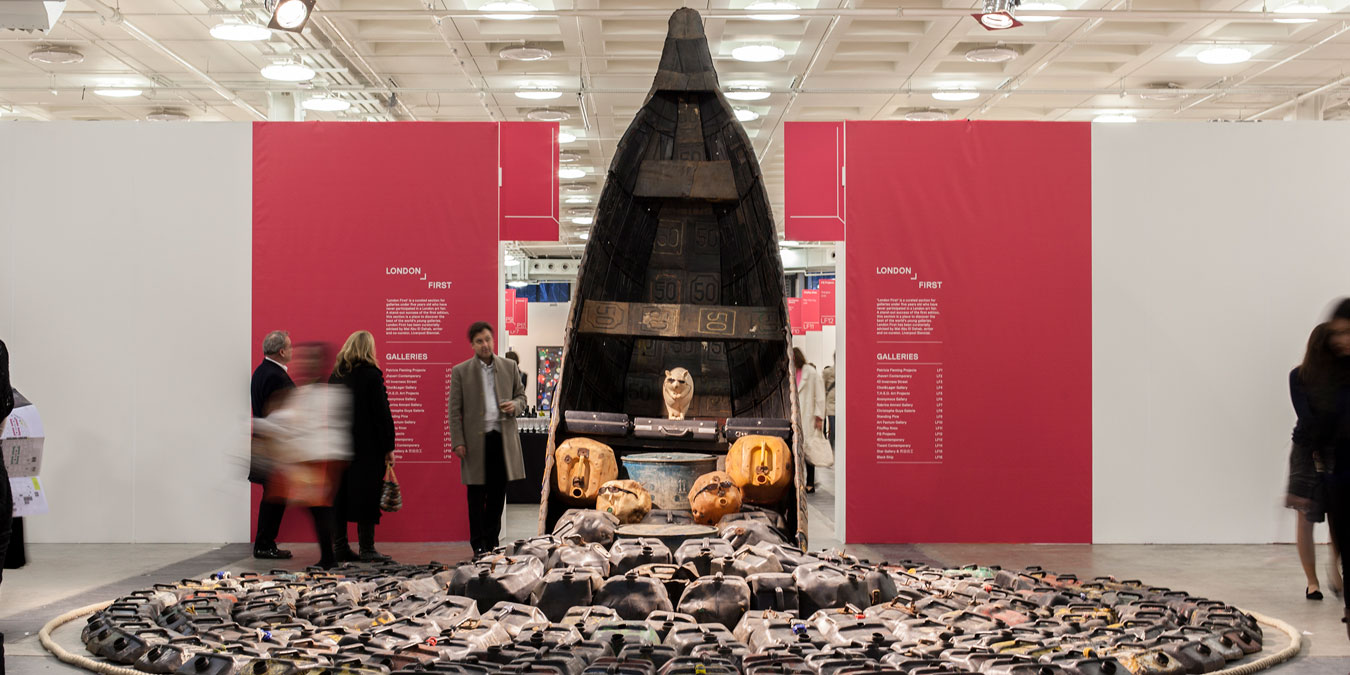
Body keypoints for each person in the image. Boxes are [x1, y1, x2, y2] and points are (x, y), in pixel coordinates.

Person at [252, 343, 351, 569]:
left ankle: (329, 558)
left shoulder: (319, 394)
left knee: (319, 509)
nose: (305, 363)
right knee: (319, 509)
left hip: (318, 460)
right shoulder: (315, 393)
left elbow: (297, 423)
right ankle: (329, 557)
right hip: (315, 459)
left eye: (311, 360)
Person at [449, 322, 528, 556]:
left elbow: (522, 397)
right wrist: (457, 441)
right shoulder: (461, 372)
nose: (485, 344)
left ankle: (492, 542)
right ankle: (478, 544)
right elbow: (454, 411)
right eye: (479, 341)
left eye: (487, 339)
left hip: (501, 441)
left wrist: (515, 405)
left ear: (493, 340)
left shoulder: (509, 366)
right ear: (472, 345)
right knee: (475, 496)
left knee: (497, 495)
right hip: (475, 443)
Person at [328, 331, 397, 562]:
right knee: (367, 495)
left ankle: (340, 546)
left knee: (340, 497)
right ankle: (367, 548)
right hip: (367, 448)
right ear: (368, 349)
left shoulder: (336, 376)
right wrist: (389, 446)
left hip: (339, 447)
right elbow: (382, 414)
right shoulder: (371, 375)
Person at [1287, 323, 1341, 599]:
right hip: (1307, 449)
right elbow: (1306, 416)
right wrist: (1319, 444)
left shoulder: (1341, 379)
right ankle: (1312, 582)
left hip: (1336, 448)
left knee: (1338, 514)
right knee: (1305, 515)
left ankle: (1334, 570)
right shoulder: (1298, 376)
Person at [1314, 298, 1350, 635]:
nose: (1340, 340)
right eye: (1336, 334)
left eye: (1347, 332)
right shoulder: (1332, 376)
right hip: (1341, 478)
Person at [250, 330, 296, 560]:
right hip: (275, 447)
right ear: (281, 351)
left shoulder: (262, 371)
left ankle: (265, 543)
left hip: (266, 444)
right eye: (290, 346)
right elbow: (281, 415)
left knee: (273, 496)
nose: (292, 350)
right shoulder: (275, 376)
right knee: (275, 498)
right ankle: (265, 544)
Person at [794, 347, 830, 494]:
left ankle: (810, 482)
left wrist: (819, 417)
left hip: (808, 417)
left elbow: (820, 396)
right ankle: (799, 481)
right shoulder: (792, 372)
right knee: (797, 450)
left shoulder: (811, 372)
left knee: (809, 450)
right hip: (796, 416)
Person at [823, 354, 837, 449]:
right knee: (833, 429)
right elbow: (822, 388)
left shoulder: (846, 370)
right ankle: (831, 449)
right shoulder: (828, 372)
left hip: (843, 406)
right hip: (831, 406)